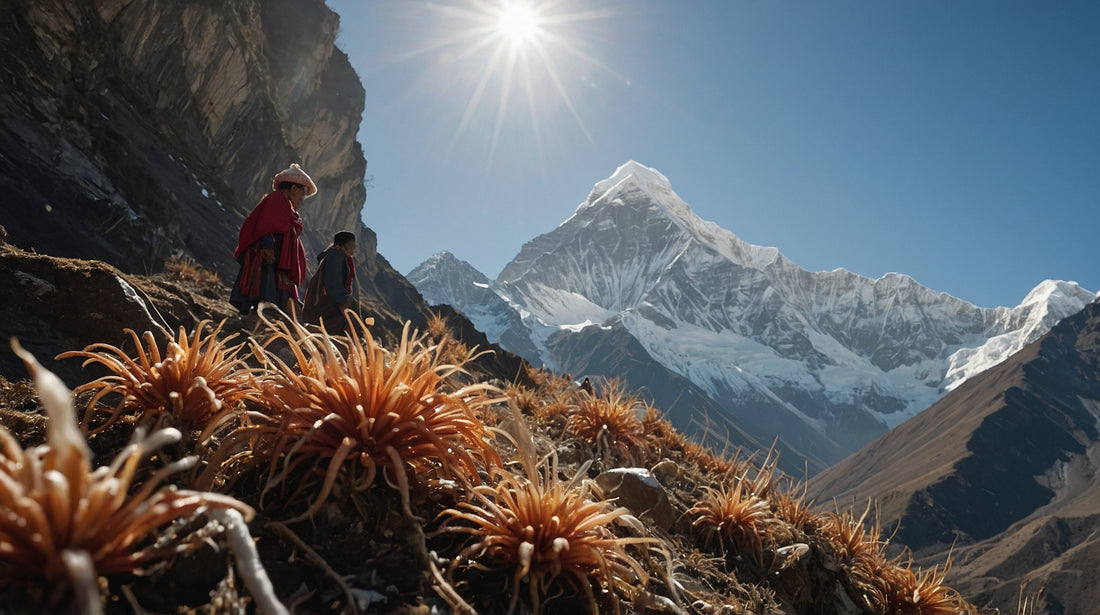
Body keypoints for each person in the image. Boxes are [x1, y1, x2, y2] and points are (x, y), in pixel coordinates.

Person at [229, 163, 317, 316]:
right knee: (265, 281)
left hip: (276, 254)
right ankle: (264, 311)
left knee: (272, 282)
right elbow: (265, 224)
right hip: (268, 252)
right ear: (294, 188)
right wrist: (267, 245)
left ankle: (268, 310)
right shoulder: (277, 199)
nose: (303, 198)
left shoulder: (285, 205)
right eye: (302, 192)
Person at [302, 231, 358, 333]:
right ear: (345, 244)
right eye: (353, 242)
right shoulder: (337, 255)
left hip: (326, 302)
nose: (355, 246)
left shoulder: (336, 255)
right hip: (330, 304)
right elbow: (333, 280)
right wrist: (343, 300)